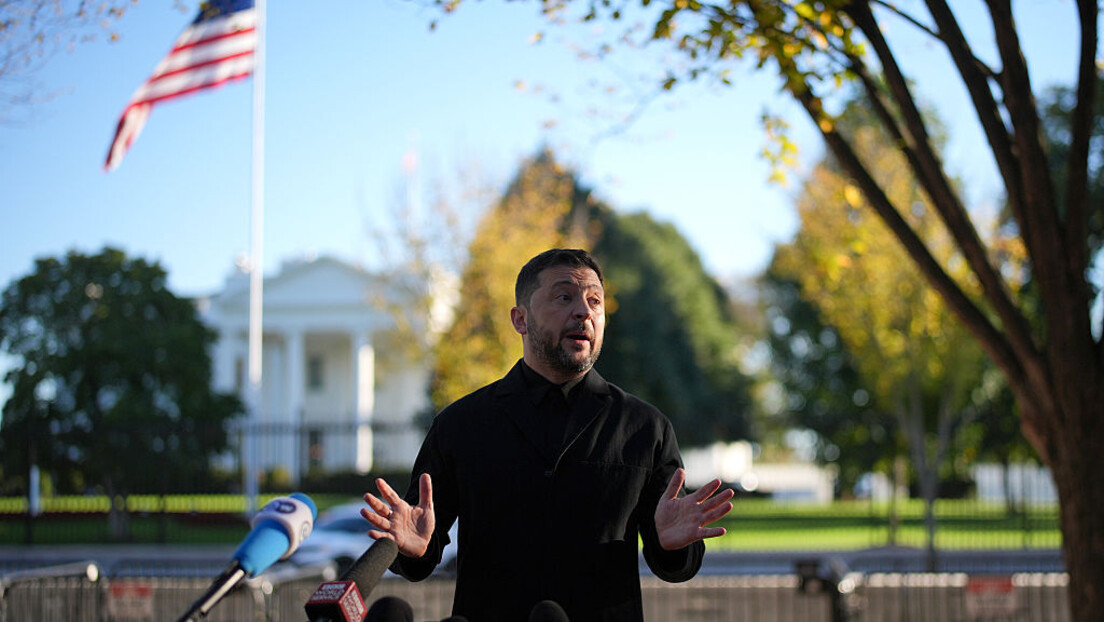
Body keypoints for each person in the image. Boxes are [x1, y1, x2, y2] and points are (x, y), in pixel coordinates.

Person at [362, 248, 734, 621]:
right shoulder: (460, 424)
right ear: (520, 320)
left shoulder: (645, 428)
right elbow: (421, 549)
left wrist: (672, 547)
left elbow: (673, 563)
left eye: (595, 301)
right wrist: (413, 549)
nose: (584, 312)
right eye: (564, 297)